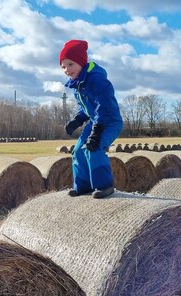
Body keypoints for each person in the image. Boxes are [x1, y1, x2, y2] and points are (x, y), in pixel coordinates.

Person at [60, 39, 123, 199]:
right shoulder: (78, 84)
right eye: (63, 66)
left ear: (81, 62)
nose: (67, 70)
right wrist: (77, 120)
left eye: (70, 64)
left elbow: (104, 105)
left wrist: (97, 130)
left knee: (93, 149)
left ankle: (105, 186)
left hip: (108, 121)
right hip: (94, 121)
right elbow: (87, 107)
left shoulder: (97, 80)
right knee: (78, 152)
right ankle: (83, 186)